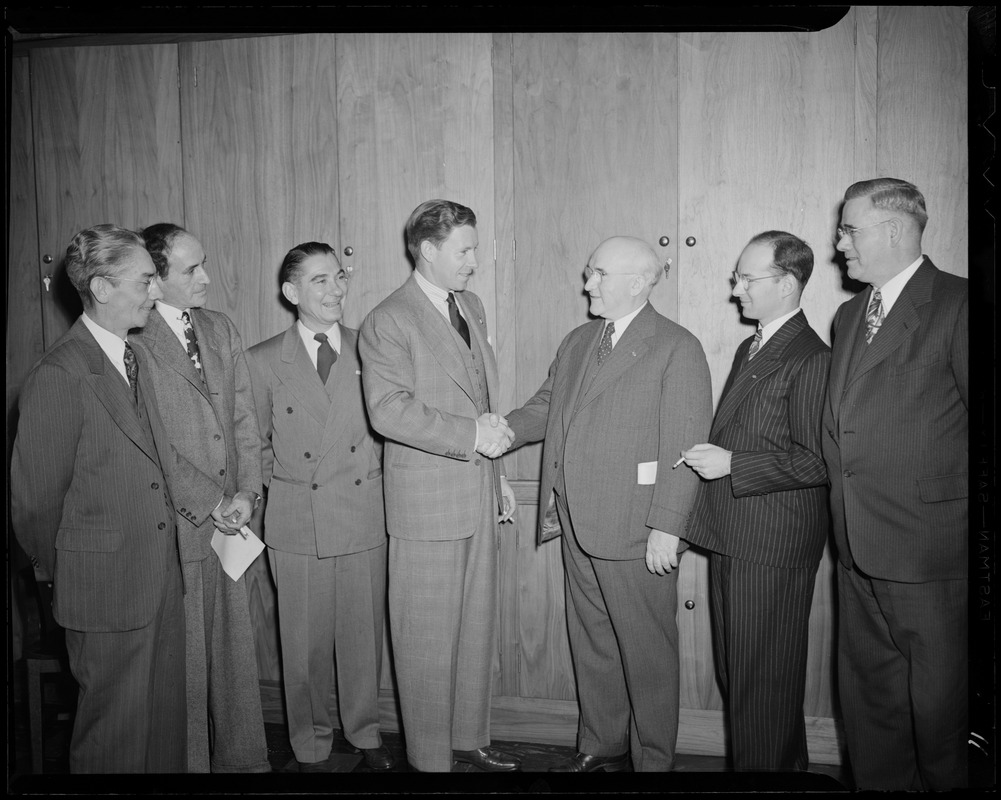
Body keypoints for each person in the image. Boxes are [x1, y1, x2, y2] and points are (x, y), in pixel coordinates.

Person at [10, 225, 217, 772]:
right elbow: (34, 505)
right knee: (114, 743)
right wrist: (75, 577)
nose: (155, 291)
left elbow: (160, 464)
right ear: (101, 288)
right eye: (146, 280)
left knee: (163, 733)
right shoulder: (59, 375)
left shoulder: (135, 358)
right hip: (103, 590)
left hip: (157, 579)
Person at [505, 236, 712, 772]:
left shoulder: (676, 346)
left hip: (637, 529)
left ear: (638, 282)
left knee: (647, 655)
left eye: (598, 274)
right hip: (575, 521)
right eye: (590, 273)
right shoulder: (578, 341)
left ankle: (653, 762)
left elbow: (684, 446)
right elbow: (547, 406)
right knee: (593, 641)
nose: (587, 283)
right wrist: (500, 430)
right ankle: (601, 745)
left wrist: (669, 526)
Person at [358, 200, 517, 773]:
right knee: (425, 637)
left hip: (476, 489)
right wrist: (474, 437)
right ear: (427, 250)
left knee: (476, 626)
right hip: (426, 503)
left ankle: (468, 737)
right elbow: (389, 412)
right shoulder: (389, 319)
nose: (475, 261)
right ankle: (429, 760)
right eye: (465, 250)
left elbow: (481, 396)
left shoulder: (468, 306)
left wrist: (497, 477)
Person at [824, 178, 968, 790]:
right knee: (872, 715)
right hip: (856, 550)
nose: (838, 244)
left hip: (933, 554)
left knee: (942, 724)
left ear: (893, 230)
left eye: (849, 230)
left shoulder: (960, 304)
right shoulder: (848, 315)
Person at [681, 231, 830, 771]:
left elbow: (818, 461)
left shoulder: (811, 357)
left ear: (787, 284)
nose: (736, 287)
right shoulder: (755, 344)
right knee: (743, 682)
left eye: (748, 277)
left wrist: (733, 464)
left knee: (762, 688)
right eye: (737, 276)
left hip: (770, 546)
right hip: (736, 537)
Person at [247, 242, 394, 772]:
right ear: (291, 293)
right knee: (303, 645)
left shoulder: (372, 348)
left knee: (361, 637)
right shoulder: (262, 360)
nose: (335, 290)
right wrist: (273, 502)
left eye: (339, 277)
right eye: (319, 281)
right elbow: (254, 445)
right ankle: (309, 740)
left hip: (361, 513)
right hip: (297, 520)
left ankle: (364, 730)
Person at [136, 223, 269, 773]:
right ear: (155, 280)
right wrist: (209, 497)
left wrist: (246, 491)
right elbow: (151, 436)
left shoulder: (219, 328)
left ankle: (244, 763)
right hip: (178, 520)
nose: (206, 278)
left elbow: (243, 417)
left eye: (203, 264)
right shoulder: (134, 338)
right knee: (187, 663)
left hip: (231, 519)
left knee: (234, 654)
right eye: (191, 270)